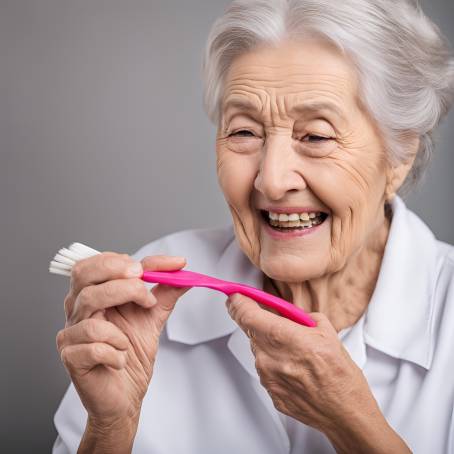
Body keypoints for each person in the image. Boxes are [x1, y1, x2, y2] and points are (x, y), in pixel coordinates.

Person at [52, 0, 454, 452]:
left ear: (400, 156)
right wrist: (111, 426)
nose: (271, 180)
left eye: (316, 136)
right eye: (244, 132)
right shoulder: (151, 302)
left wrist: (353, 422)